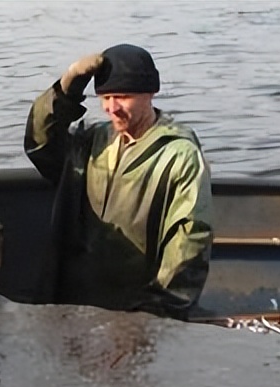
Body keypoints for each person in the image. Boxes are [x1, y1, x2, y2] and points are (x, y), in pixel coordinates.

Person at [26, 44, 213, 319]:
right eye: (105, 97)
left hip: (137, 307)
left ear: (150, 93)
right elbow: (40, 144)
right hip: (71, 301)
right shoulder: (90, 141)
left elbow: (190, 238)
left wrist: (155, 311)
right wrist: (67, 89)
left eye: (122, 97)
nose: (111, 108)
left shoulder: (179, 155)